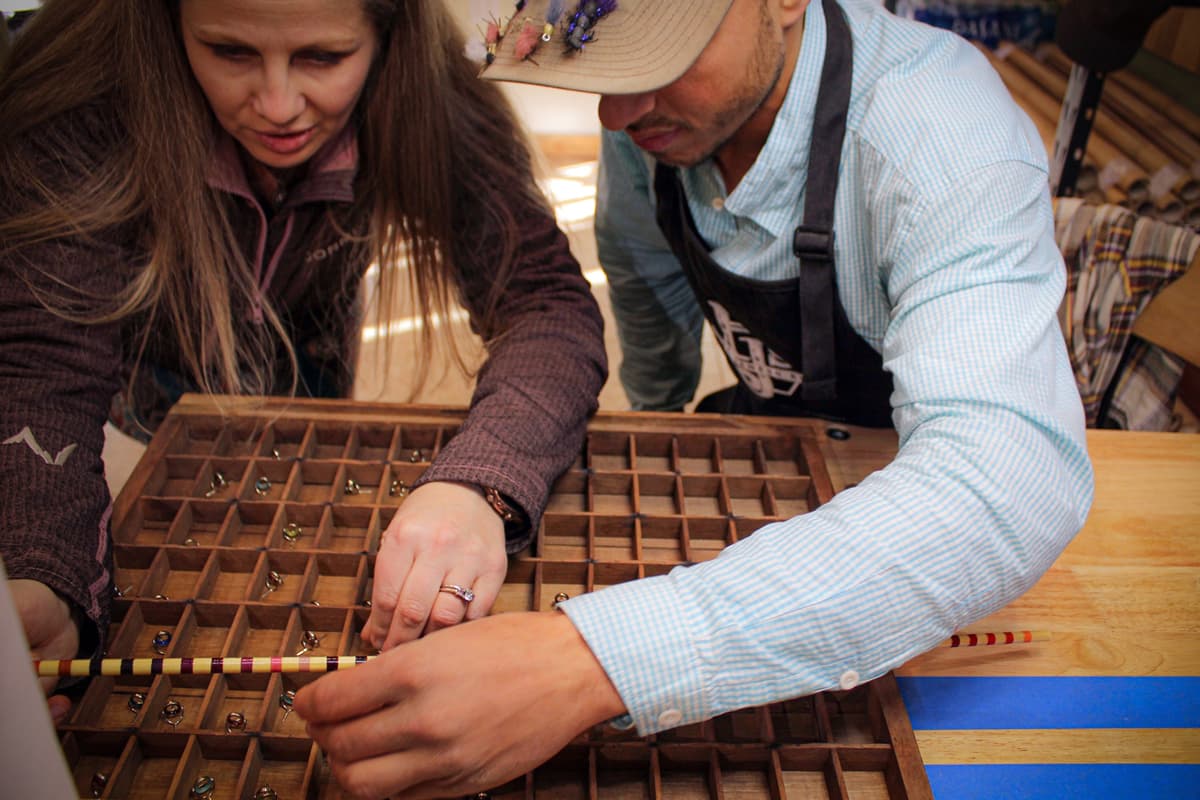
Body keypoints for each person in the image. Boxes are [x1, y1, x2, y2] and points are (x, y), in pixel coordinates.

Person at [296, 0, 1094, 798]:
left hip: (916, 514)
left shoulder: (944, 134)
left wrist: (590, 662)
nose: (617, 115)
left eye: (662, 58)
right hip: (780, 449)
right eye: (605, 66)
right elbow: (648, 298)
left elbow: (1004, 480)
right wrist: (656, 440)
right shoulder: (656, 124)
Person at [0, 0, 606, 721]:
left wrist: (482, 483)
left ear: (388, 37)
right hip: (146, 369)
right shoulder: (78, 102)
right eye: (230, 52)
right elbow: (41, 368)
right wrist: (46, 573)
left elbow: (547, 304)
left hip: (311, 348)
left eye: (322, 57)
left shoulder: (436, 102)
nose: (278, 105)